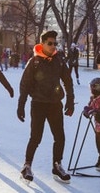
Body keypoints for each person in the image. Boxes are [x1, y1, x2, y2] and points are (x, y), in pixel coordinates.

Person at [17, 30, 75, 184]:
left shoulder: (59, 60)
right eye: (50, 43)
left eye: (55, 43)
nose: (53, 46)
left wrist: (70, 101)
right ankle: (27, 166)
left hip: (55, 104)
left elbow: (68, 81)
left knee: (60, 137)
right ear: (42, 43)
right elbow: (25, 84)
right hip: (38, 104)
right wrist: (21, 105)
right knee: (36, 137)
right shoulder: (34, 61)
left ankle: (57, 165)